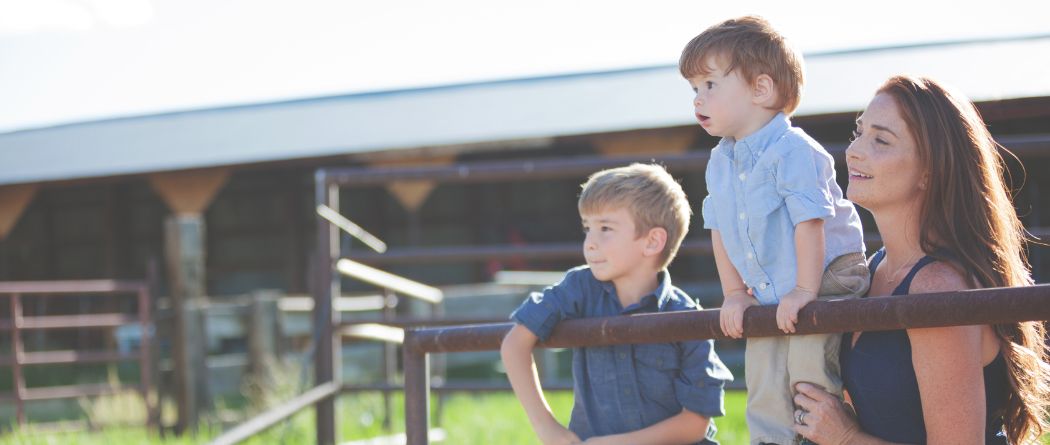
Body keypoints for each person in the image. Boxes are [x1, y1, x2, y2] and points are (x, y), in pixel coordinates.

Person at [792, 75, 1050, 444]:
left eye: (880, 140)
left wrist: (845, 438)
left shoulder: (937, 285)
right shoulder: (877, 268)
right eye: (859, 132)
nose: (854, 151)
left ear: (929, 171)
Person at [680, 16, 869, 445]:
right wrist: (733, 292)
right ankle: (770, 439)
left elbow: (809, 222)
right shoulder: (719, 161)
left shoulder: (794, 151)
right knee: (763, 368)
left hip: (827, 272)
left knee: (806, 360)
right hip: (773, 284)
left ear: (761, 89)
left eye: (710, 85)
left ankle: (814, 436)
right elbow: (718, 227)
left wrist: (805, 290)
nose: (698, 99)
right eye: (694, 89)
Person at [501, 163, 733, 445]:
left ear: (652, 242)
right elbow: (515, 344)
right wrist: (547, 428)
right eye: (588, 228)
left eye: (605, 228)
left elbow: (696, 423)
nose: (590, 243)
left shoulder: (686, 319)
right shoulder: (578, 288)